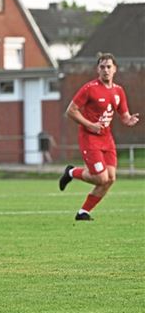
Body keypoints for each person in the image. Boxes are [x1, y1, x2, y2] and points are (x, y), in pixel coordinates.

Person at [59, 52, 139, 221]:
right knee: (101, 178)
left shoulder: (119, 91)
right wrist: (90, 125)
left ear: (115, 69)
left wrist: (129, 120)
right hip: (89, 138)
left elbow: (123, 114)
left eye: (109, 67)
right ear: (97, 69)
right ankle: (72, 172)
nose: (106, 70)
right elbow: (70, 111)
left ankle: (83, 212)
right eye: (102, 67)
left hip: (106, 138)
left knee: (110, 179)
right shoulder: (90, 89)